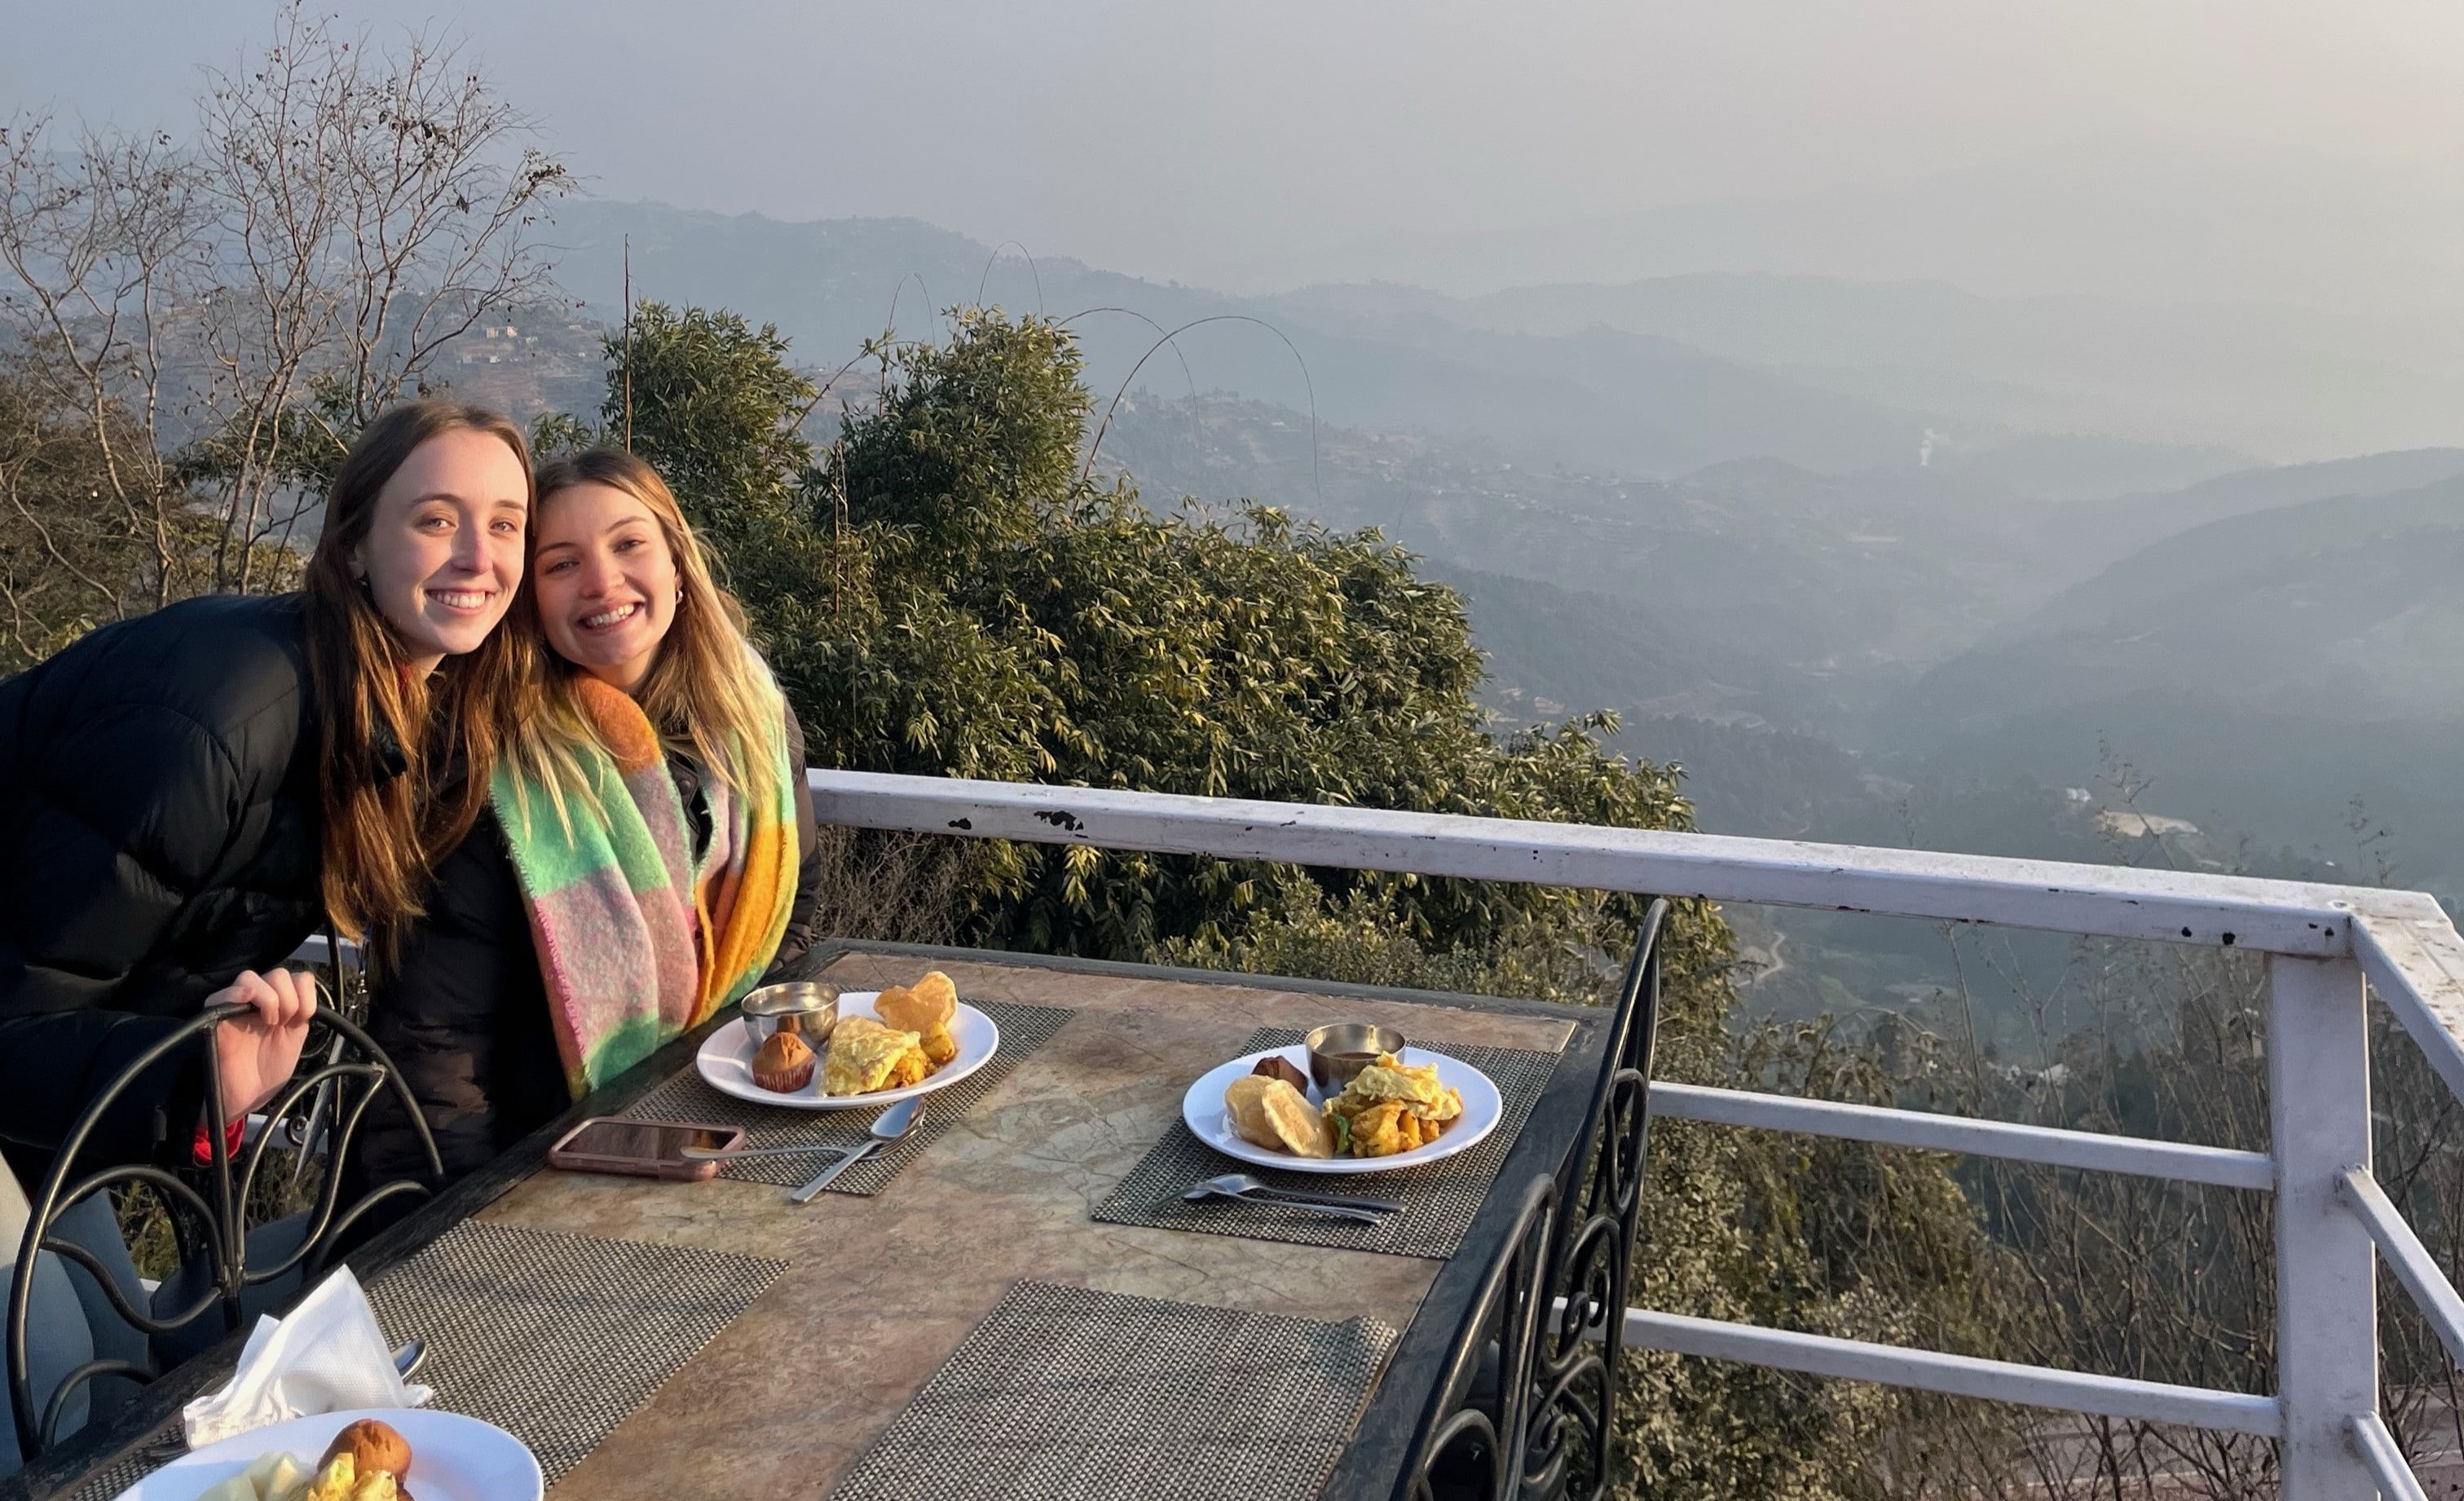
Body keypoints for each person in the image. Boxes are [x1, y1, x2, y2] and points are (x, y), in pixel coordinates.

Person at [0, 400, 538, 1189]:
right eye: (434, 520)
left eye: (504, 525)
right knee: (59, 1319)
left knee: (122, 1316)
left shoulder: (392, 717)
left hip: (48, 1108)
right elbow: (21, 1007)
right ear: (355, 545)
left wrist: (203, 1074)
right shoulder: (221, 720)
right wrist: (189, 1078)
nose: (475, 556)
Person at [355, 448, 822, 1191]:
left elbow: (792, 916)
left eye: (629, 543)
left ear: (677, 561)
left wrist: (741, 1074)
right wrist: (456, 1225)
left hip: (725, 1131)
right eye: (561, 563)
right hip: (546, 1164)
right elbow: (435, 1042)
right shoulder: (491, 767)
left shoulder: (751, 718)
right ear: (529, 599)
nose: (602, 582)